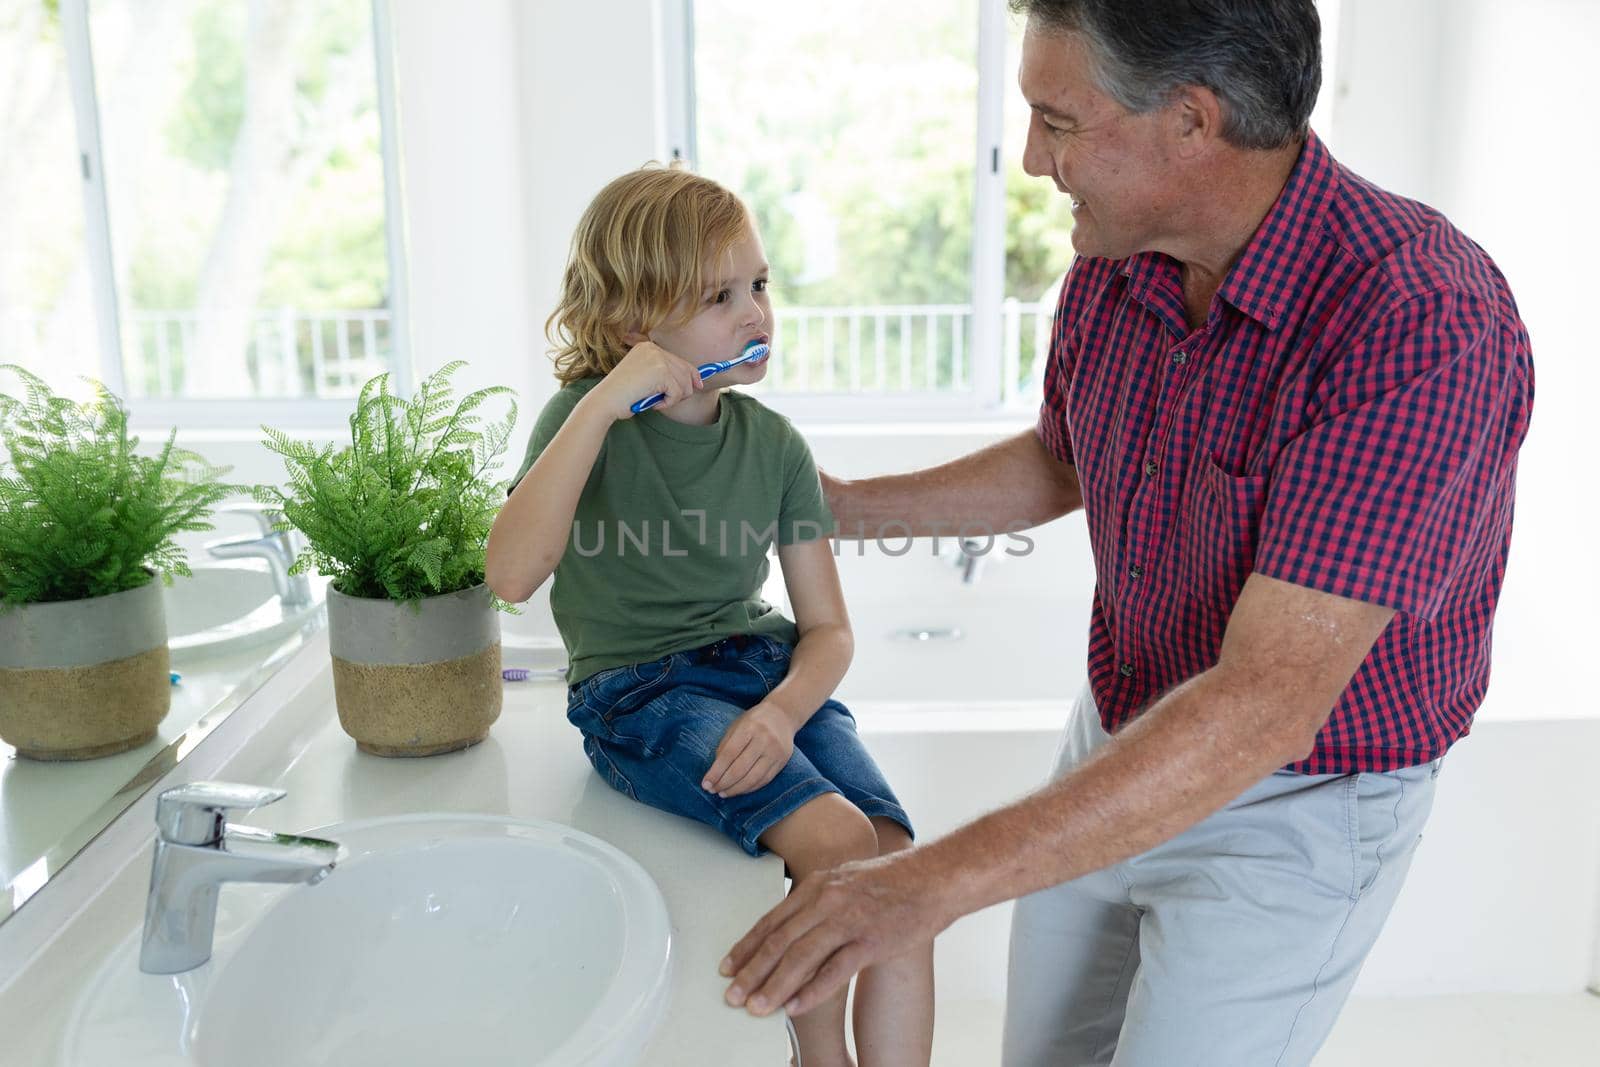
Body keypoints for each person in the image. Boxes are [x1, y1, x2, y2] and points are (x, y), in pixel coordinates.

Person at [718, 2, 1535, 1064]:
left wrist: (922, 885)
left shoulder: (1421, 324)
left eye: (1057, 120)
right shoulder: (1118, 256)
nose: (1029, 160)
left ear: (1191, 122)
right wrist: (832, 508)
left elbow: (1260, 707)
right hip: (1114, 736)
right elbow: (1066, 456)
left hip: (1291, 801)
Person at [484, 166, 935, 1067]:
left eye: (759, 285)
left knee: (903, 877)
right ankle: (819, 1059)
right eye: (720, 296)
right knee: (841, 839)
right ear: (632, 325)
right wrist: (607, 400)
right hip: (639, 691)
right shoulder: (583, 422)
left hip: (761, 674)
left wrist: (779, 712)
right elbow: (510, 574)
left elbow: (828, 631)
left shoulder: (773, 445)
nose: (755, 313)